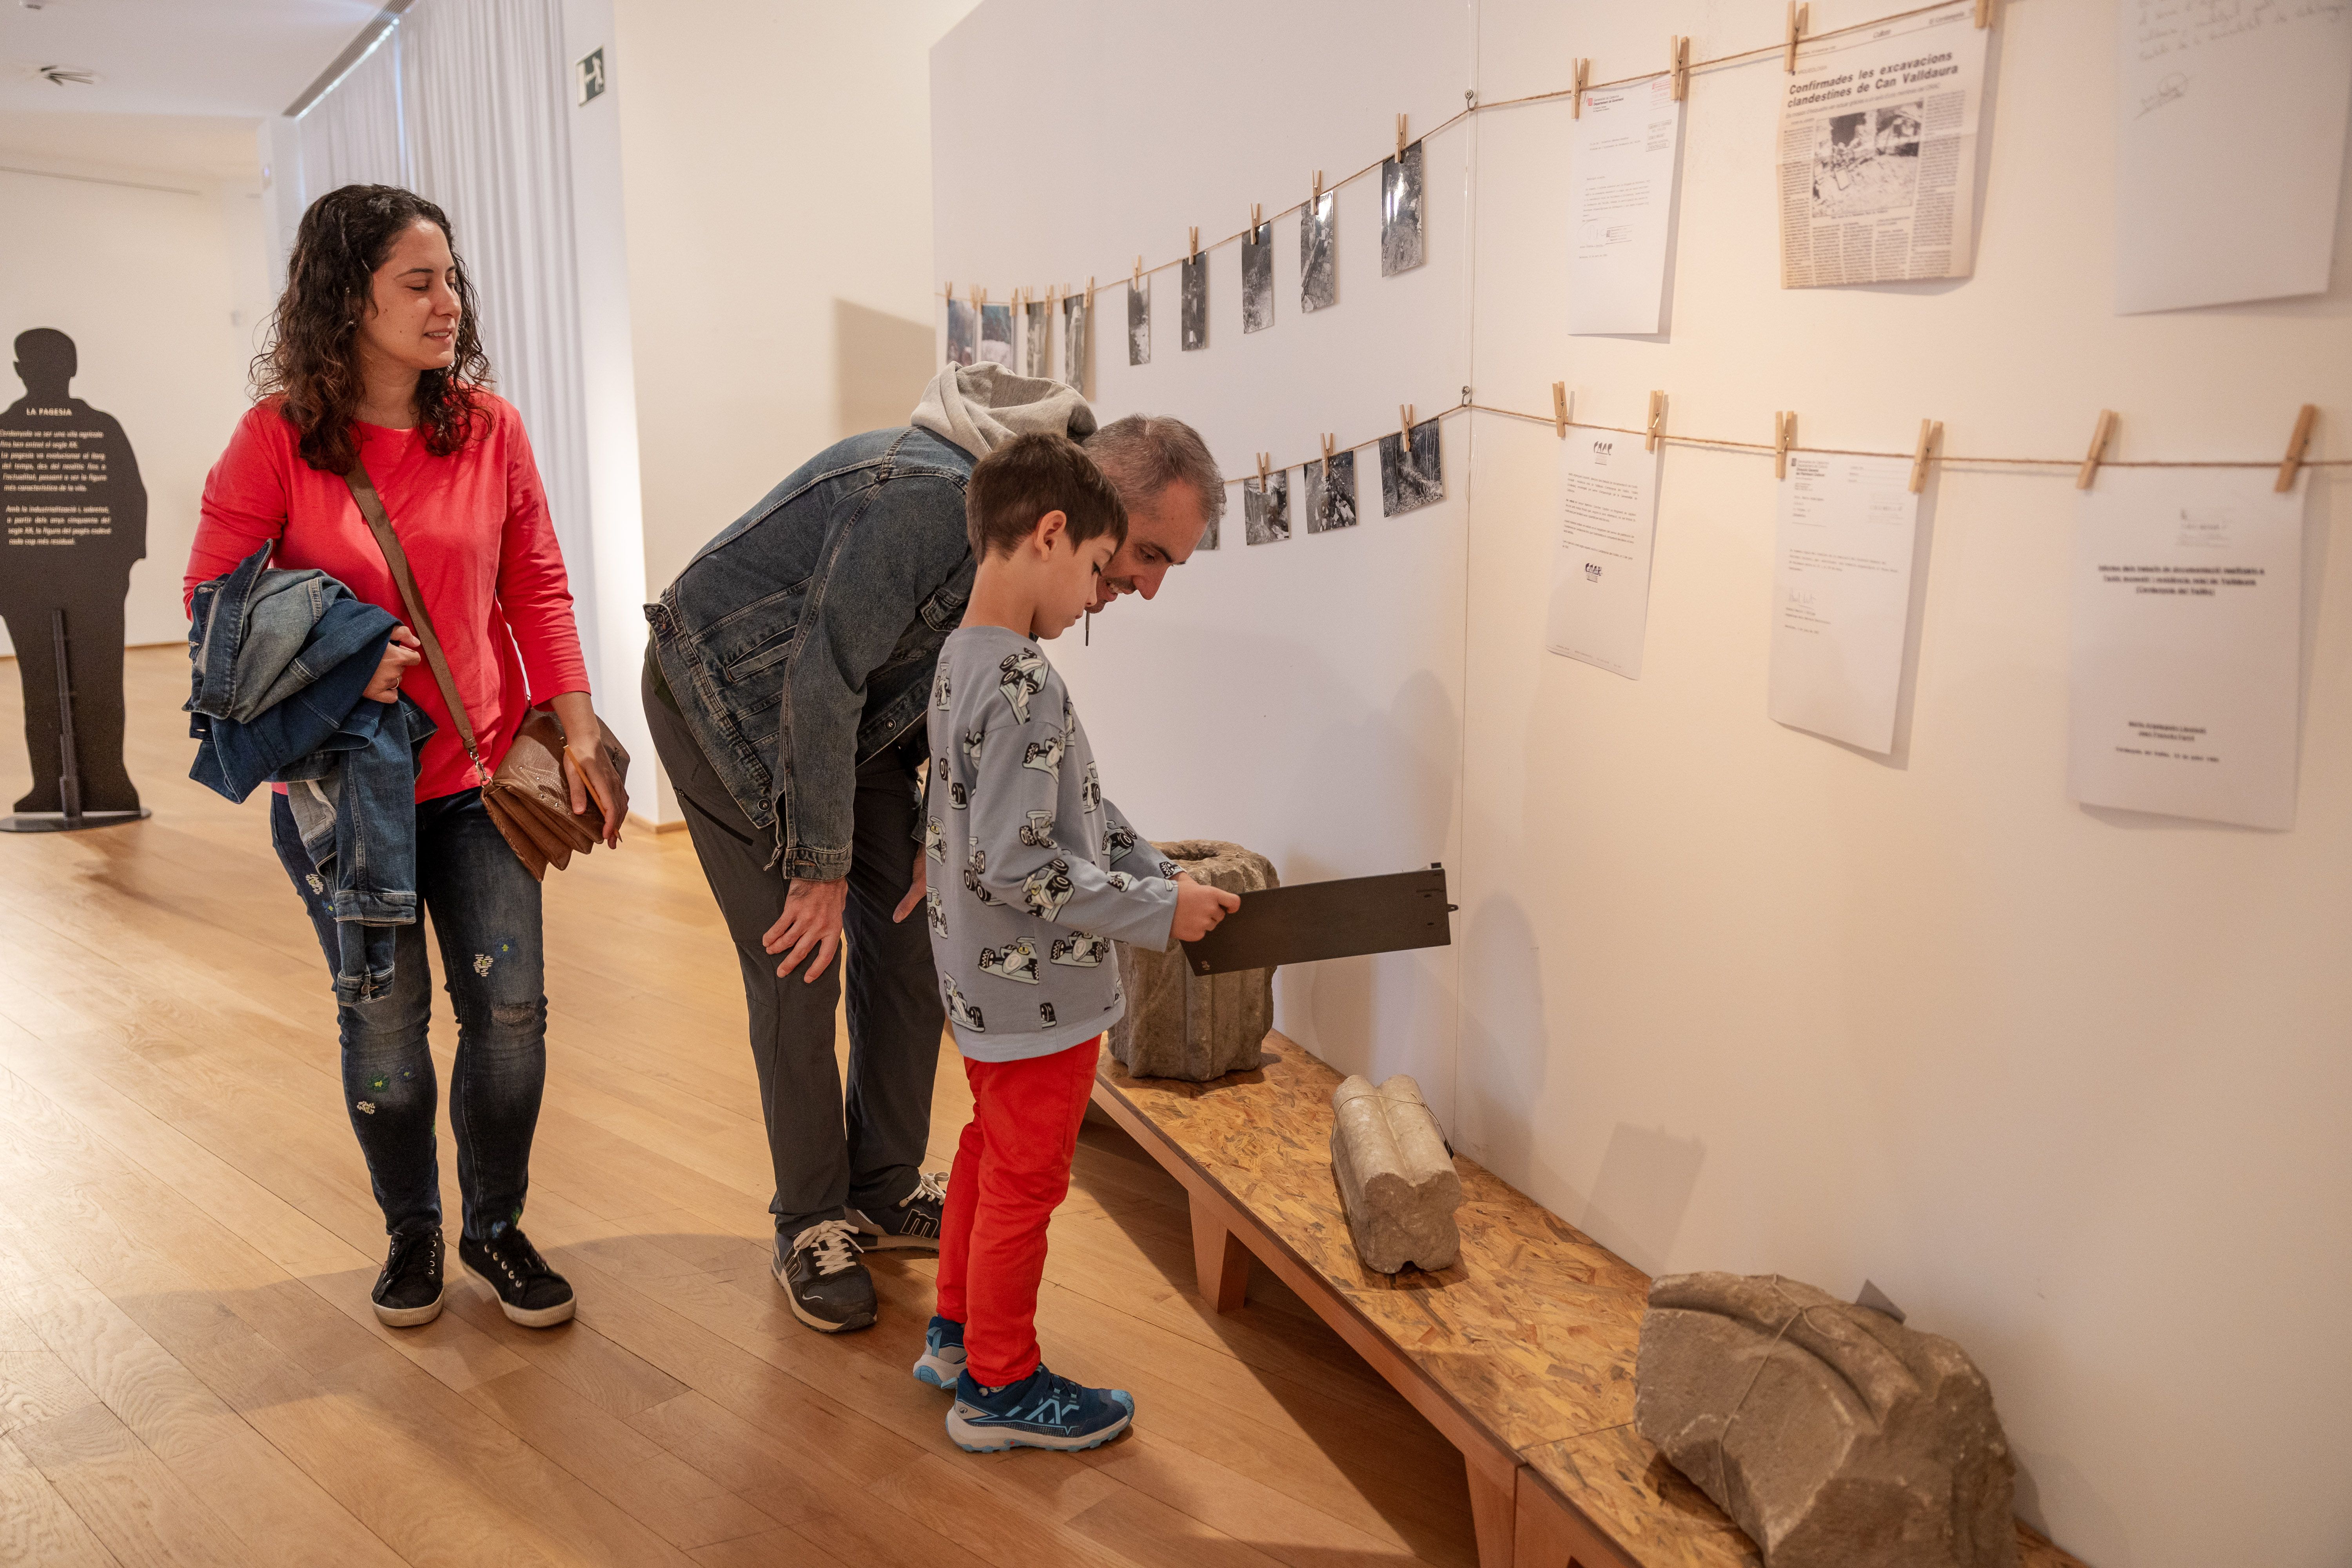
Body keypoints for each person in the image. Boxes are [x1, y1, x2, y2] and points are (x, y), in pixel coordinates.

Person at [643, 363, 1223, 1334]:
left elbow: (933, 688)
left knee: (909, 937)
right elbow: (822, 671)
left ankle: (879, 1185)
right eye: (1151, 554)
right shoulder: (922, 500)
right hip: (723, 697)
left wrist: (933, 832)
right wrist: (820, 867)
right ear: (1084, 516)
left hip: (850, 722)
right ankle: (811, 1217)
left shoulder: (1021, 553)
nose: (1148, 588)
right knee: (801, 958)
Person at [185, 184, 626, 1330]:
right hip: (342, 798)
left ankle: (495, 1226)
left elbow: (534, 580)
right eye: (417, 283)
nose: (447, 304)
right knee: (382, 1024)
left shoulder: (490, 427)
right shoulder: (273, 441)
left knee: (511, 1014)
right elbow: (212, 608)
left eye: (450, 279)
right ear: (350, 298)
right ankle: (412, 1229)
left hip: (483, 780)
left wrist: (575, 724)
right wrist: (338, 656)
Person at [903, 431, 1238, 1452]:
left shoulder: (962, 662)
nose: (1101, 594)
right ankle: (1000, 1387)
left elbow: (1070, 806)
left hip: (977, 988)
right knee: (1029, 1180)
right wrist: (1158, 915)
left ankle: (955, 1337)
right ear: (1050, 536)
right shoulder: (1022, 681)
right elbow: (1019, 866)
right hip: (1036, 999)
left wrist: (1151, 871)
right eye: (1100, 567)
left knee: (985, 1153)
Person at [0, 327, 145, 815]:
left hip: (90, 581)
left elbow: (129, 500)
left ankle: (108, 781)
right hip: (30, 584)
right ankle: (52, 783)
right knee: (47, 684)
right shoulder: (13, 432)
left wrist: (123, 563)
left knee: (95, 682)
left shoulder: (99, 429)